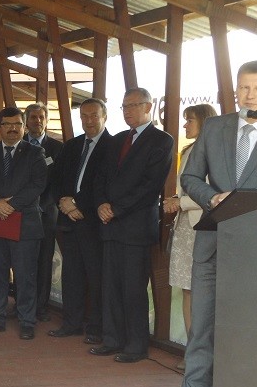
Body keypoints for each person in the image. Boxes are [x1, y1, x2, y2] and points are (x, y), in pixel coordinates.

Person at [159, 60, 257, 387]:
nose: (250, 95)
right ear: (235, 90)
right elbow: (190, 177)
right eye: (244, 87)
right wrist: (212, 198)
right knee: (201, 330)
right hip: (211, 243)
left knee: (251, 333)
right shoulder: (215, 128)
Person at [91, 88, 173, 364]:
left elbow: (150, 186)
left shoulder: (161, 140)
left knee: (133, 288)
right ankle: (112, 339)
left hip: (135, 226)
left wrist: (117, 208)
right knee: (110, 286)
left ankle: (136, 345)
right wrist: (101, 204)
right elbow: (100, 177)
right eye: (124, 107)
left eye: (133, 106)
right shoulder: (117, 140)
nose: (127, 111)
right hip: (110, 224)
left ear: (148, 107)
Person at [0, 107, 47, 340]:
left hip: (24, 223)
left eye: (17, 124)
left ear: (24, 127)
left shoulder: (36, 153)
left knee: (25, 276)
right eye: (7, 124)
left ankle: (27, 321)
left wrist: (11, 204)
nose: (13, 128)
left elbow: (38, 184)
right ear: (0, 127)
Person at [48, 99, 112, 344]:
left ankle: (95, 327)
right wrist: (63, 202)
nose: (88, 120)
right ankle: (71, 323)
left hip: (94, 221)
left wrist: (77, 203)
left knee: (96, 277)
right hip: (69, 220)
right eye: (84, 116)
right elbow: (56, 179)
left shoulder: (112, 146)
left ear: (104, 116)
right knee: (71, 275)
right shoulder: (72, 145)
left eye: (94, 115)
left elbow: (105, 184)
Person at [162, 104, 217, 368]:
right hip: (185, 228)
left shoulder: (216, 152)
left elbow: (214, 194)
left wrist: (180, 203)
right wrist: (176, 198)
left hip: (202, 228)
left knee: (200, 292)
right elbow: (186, 189)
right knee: (187, 290)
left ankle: (202, 356)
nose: (185, 125)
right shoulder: (187, 151)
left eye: (190, 120)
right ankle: (192, 354)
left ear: (204, 122)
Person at [23, 104, 63, 322]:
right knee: (21, 260)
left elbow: (60, 181)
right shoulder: (18, 144)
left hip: (47, 213)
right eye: (33, 117)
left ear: (46, 120)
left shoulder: (57, 148)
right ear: (26, 120)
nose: (37, 121)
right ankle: (22, 304)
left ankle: (40, 307)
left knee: (44, 260)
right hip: (21, 212)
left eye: (41, 117)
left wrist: (44, 204)